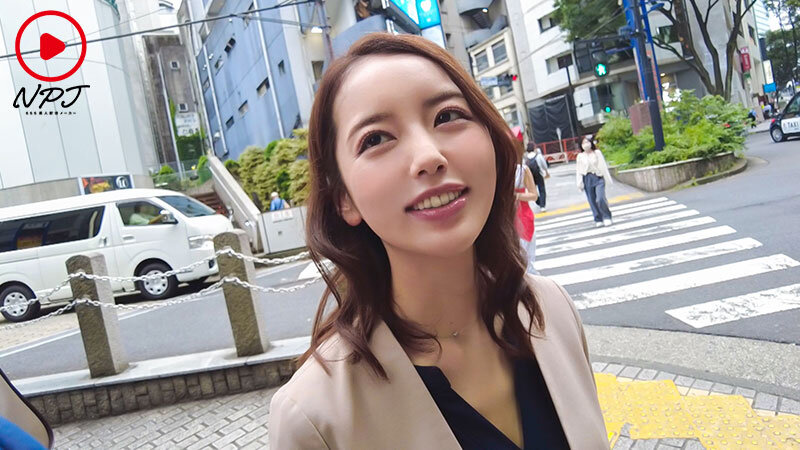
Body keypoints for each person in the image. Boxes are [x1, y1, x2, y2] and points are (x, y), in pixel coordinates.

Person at [268, 33, 607, 449]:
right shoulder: (313, 418)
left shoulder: (552, 310)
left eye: (447, 116)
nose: (429, 156)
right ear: (344, 199)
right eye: (376, 139)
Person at [576, 135, 613, 227]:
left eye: (587, 142)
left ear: (591, 143)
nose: (586, 144)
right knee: (592, 200)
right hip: (587, 178)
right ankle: (598, 218)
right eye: (583, 143)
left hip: (598, 176)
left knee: (600, 198)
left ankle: (607, 216)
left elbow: (603, 166)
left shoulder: (597, 153)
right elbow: (579, 170)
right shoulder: (580, 156)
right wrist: (579, 183)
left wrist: (608, 179)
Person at [515, 159, 539, 275]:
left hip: (522, 217)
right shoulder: (495, 168)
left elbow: (534, 195)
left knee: (525, 258)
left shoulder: (522, 170)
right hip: (503, 218)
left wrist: (516, 195)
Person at [525, 146, 550, 211]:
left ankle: (538, 201)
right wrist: (546, 172)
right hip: (539, 174)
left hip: (530, 176)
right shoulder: (538, 156)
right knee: (542, 189)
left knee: (532, 191)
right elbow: (544, 165)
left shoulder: (525, 158)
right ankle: (542, 206)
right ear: (534, 149)